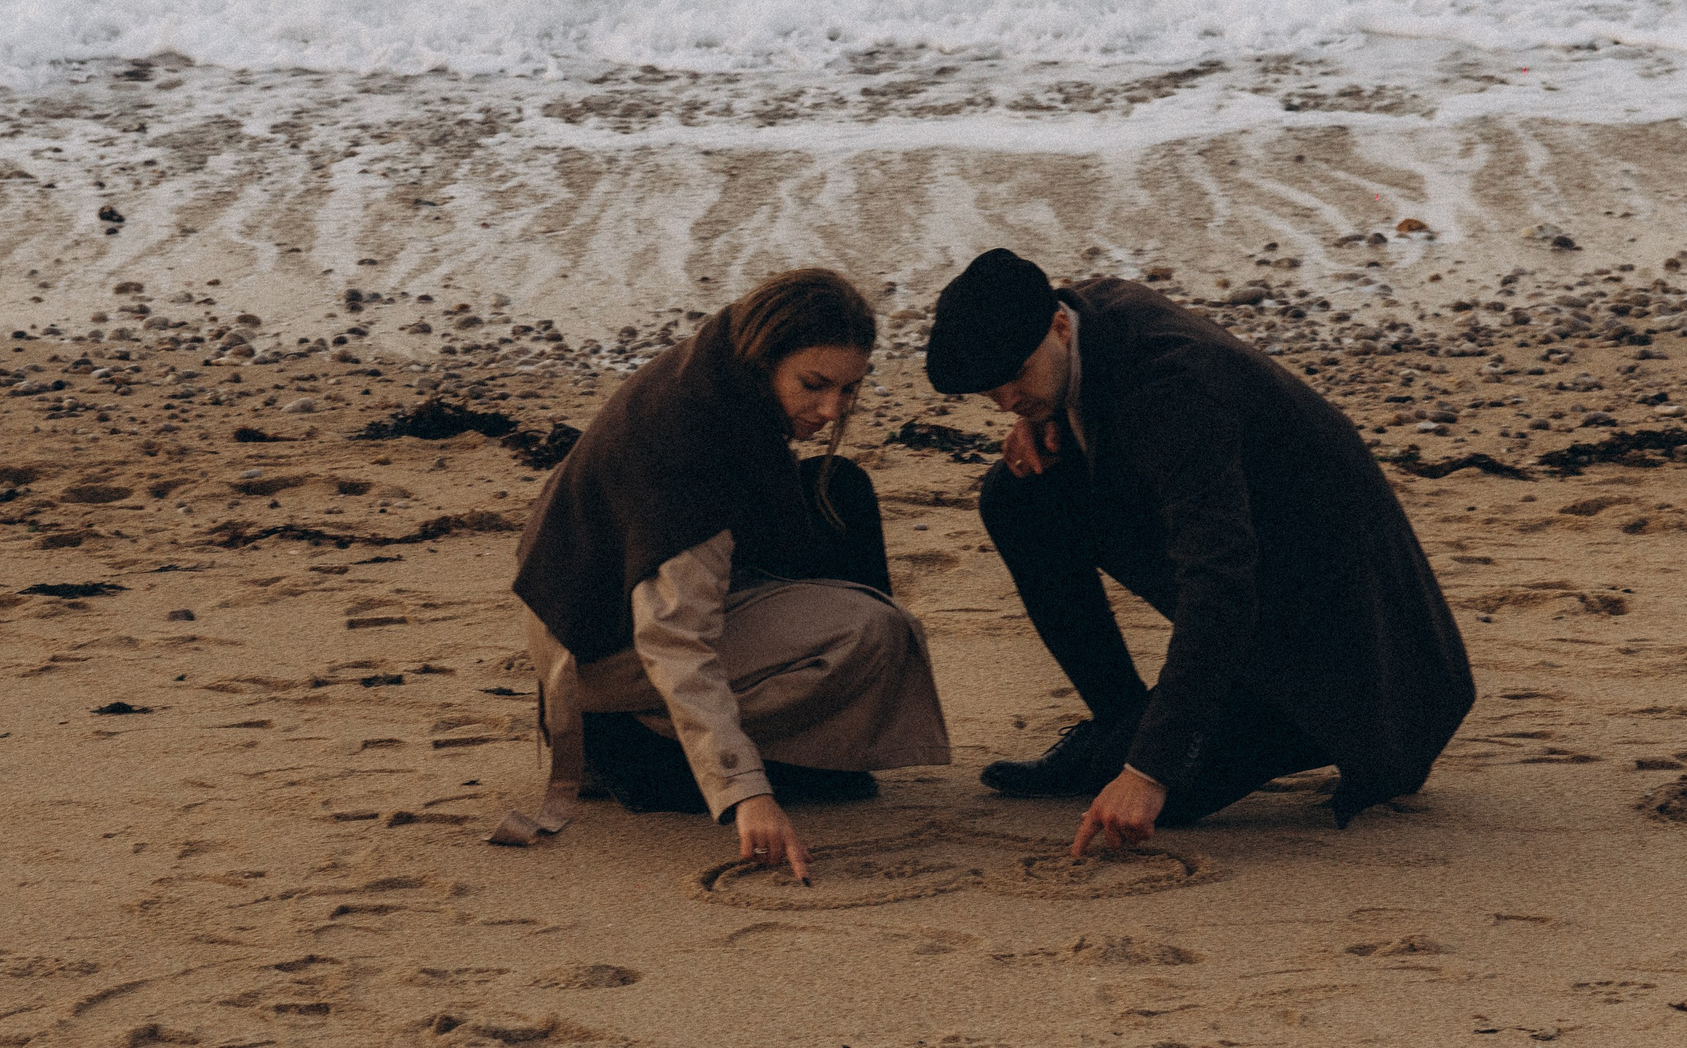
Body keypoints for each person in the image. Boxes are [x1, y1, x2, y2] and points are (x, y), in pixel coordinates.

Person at [925, 248, 1474, 855]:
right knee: (1019, 496)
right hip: (1276, 591)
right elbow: (1090, 392)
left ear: (1057, 326)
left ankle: (1142, 744)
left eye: (1016, 377)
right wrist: (1049, 407)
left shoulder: (1175, 389)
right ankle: (1120, 723)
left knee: (1167, 799)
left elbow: (1219, 581)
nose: (1005, 401)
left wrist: (1148, 772)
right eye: (991, 391)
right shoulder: (1090, 316)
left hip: (1353, 655)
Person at [504, 269, 951, 879]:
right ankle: (641, 751)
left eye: (849, 389)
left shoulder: (716, 367)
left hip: (593, 610)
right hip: (595, 653)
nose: (831, 409)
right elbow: (673, 639)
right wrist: (746, 792)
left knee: (840, 493)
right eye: (813, 386)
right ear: (764, 360)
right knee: (871, 630)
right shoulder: (695, 451)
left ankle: (825, 755)